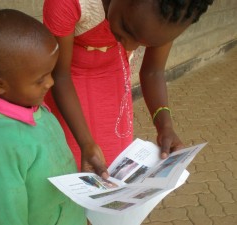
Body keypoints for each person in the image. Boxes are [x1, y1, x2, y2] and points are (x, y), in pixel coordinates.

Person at [43, 0, 214, 177]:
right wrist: (86, 143)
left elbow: (153, 72)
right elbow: (60, 75)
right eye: (126, 28)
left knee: (115, 162)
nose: (129, 48)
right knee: (70, 161)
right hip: (66, 82)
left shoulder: (170, 13)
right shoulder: (66, 3)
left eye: (144, 43)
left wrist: (165, 126)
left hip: (112, 78)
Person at [0, 9, 86, 225]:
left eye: (50, 73)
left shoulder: (35, 108)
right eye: (40, 80)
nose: (50, 83)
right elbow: (8, 214)